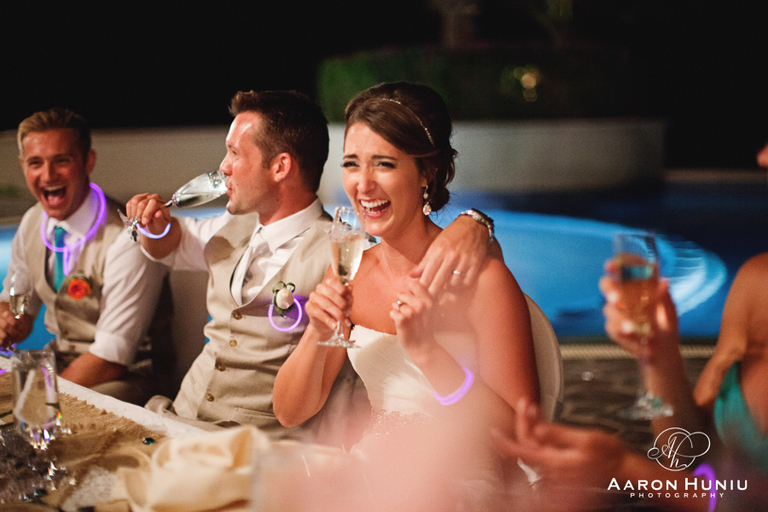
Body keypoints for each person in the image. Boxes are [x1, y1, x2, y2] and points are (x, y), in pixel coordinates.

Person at [126, 89, 497, 441]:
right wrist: (152, 228)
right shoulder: (230, 229)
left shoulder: (346, 251)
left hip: (258, 440)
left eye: (234, 153)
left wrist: (477, 225)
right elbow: (169, 243)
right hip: (179, 413)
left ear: (281, 166)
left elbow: (410, 255)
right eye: (351, 164)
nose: (222, 167)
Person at [272, 82, 539, 509]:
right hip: (373, 472)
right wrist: (317, 334)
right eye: (352, 164)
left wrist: (428, 353)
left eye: (384, 164)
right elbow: (290, 413)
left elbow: (524, 439)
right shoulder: (350, 269)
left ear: (426, 171)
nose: (363, 184)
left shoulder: (482, 280)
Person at [0, 108, 169, 404]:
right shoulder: (32, 221)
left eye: (61, 161)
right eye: (35, 163)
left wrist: (40, 398)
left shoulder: (125, 238)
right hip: (62, 365)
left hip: (128, 376)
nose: (47, 175)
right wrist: (9, 320)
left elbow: (112, 357)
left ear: (88, 161)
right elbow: (17, 304)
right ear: (23, 165)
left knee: (39, 414)